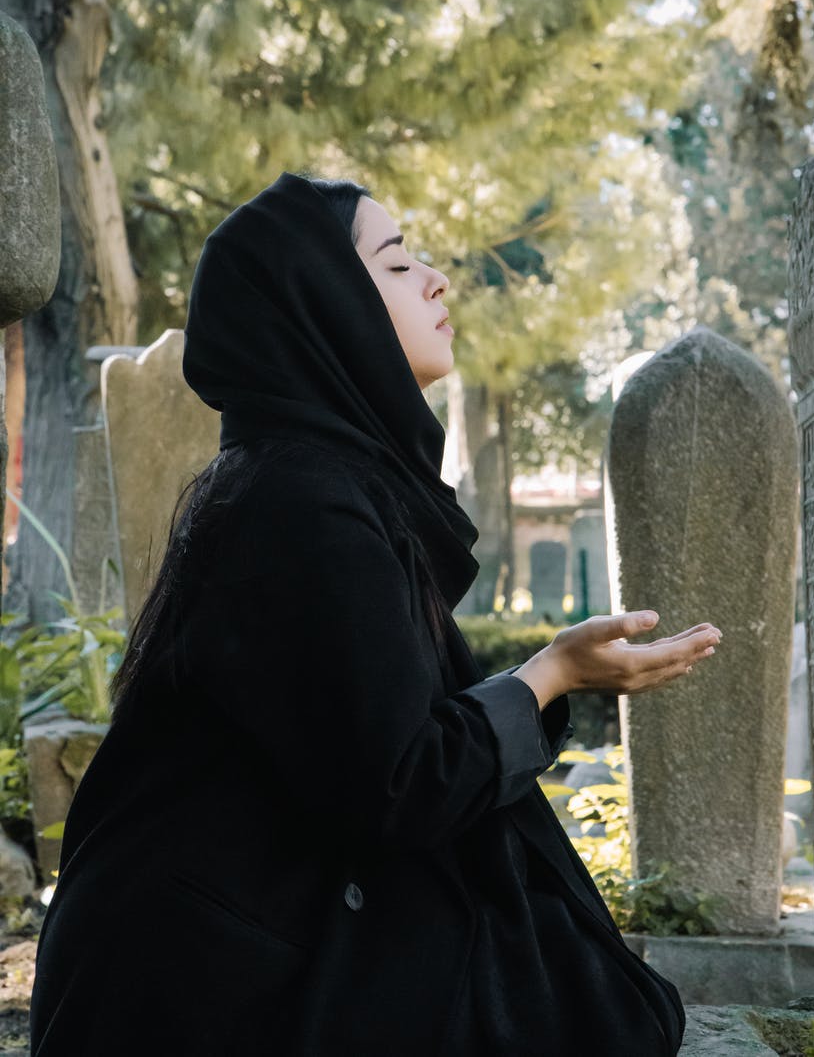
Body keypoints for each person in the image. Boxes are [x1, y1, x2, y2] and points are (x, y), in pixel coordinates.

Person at [29, 171, 721, 1056]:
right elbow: (397, 787)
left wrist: (544, 678)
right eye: (396, 264)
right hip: (199, 974)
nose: (436, 279)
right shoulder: (297, 501)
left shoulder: (304, 481)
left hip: (218, 930)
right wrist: (550, 675)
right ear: (322, 306)